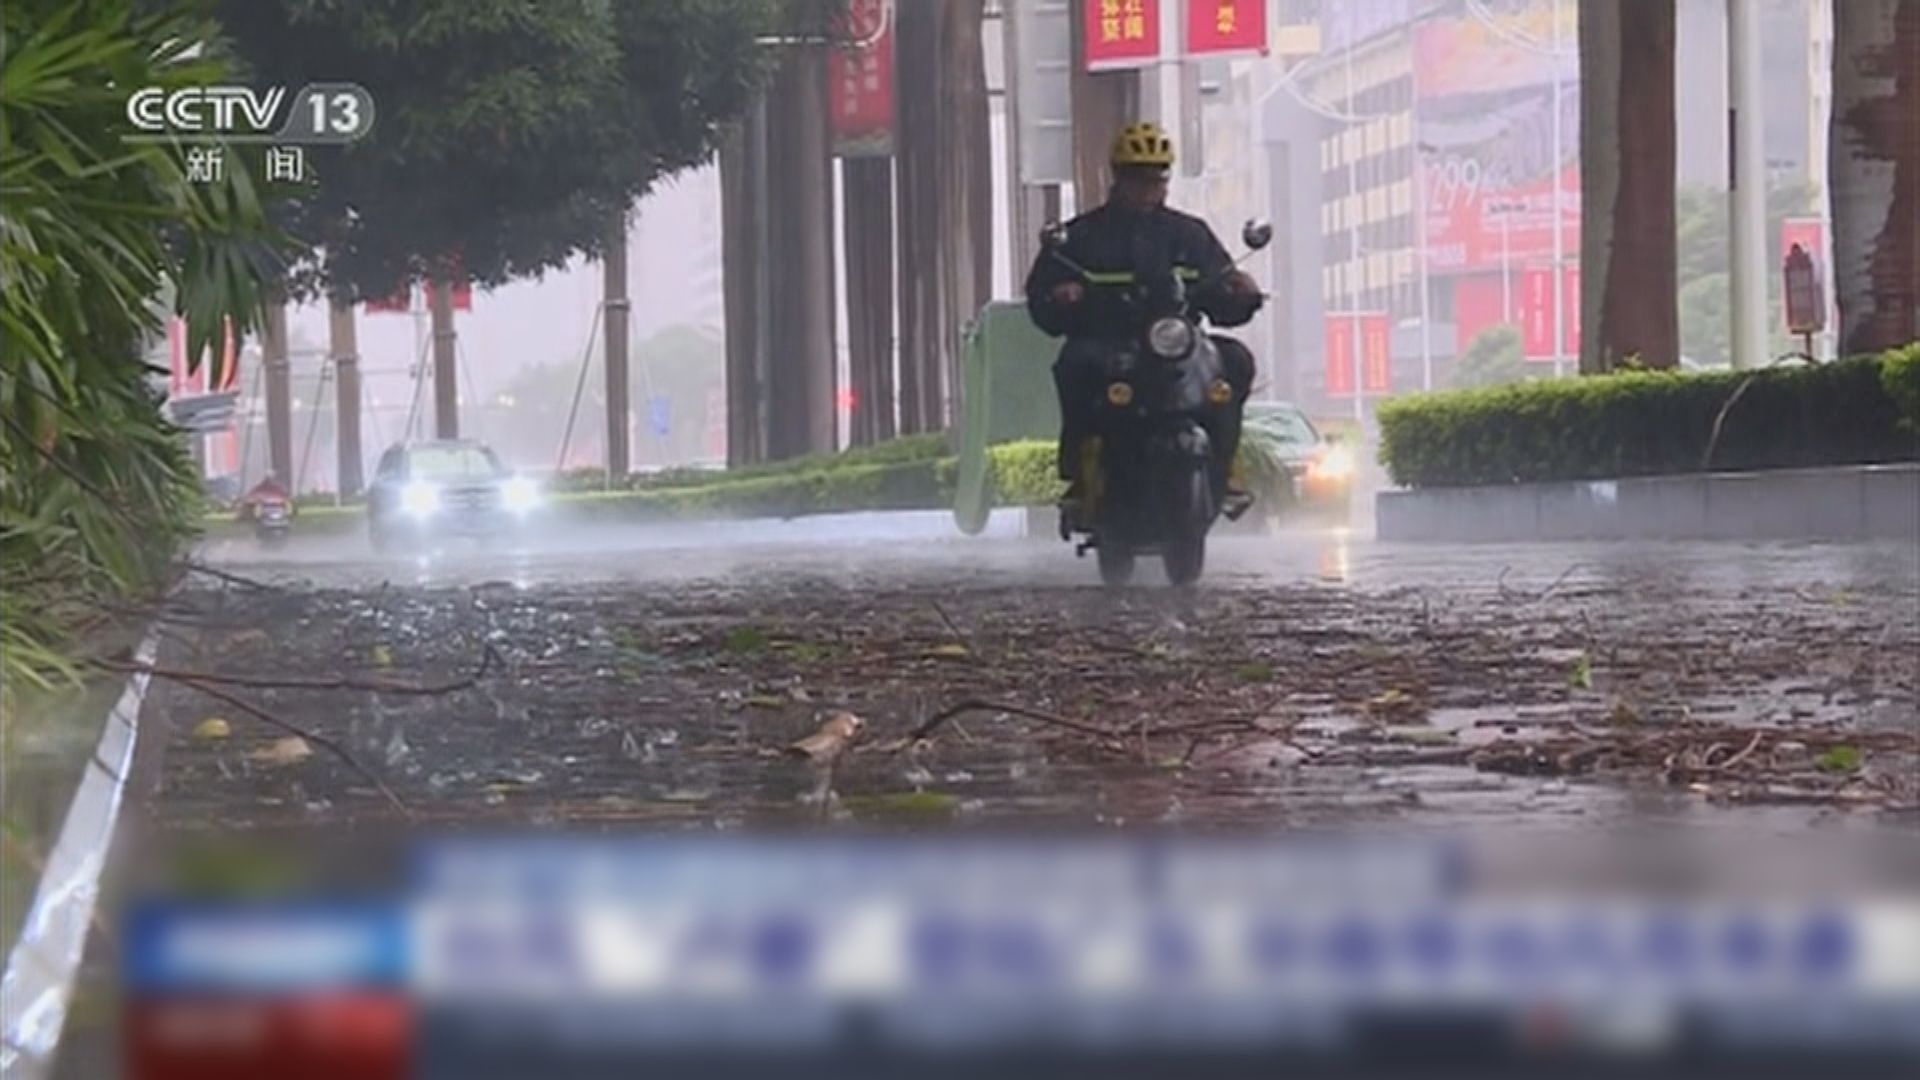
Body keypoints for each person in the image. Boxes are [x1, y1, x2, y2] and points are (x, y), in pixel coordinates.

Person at [1023, 121, 1264, 513]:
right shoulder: (1081, 236)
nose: (1147, 189)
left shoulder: (1190, 234)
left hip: (1179, 344)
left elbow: (1222, 284)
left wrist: (1240, 291)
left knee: (1235, 360)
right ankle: (1080, 468)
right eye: (1137, 179)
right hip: (1109, 341)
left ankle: (1228, 463)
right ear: (1117, 178)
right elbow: (1042, 297)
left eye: (1156, 180)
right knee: (1075, 365)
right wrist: (1062, 297)